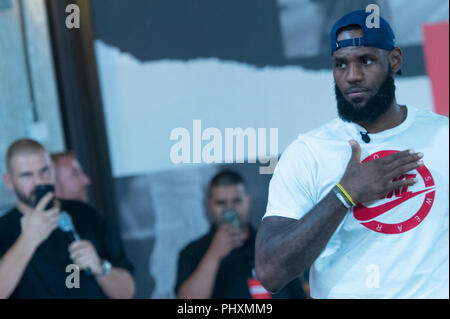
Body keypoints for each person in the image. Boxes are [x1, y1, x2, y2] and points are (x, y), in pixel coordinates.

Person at [255, 10, 449, 299]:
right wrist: (345, 194)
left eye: (365, 61)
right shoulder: (308, 153)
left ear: (394, 60)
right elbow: (270, 272)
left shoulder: (443, 137)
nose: (352, 76)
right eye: (341, 64)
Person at [0, 139, 135, 298]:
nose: (38, 182)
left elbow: (127, 292)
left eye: (44, 171)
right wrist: (28, 239)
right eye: (27, 175)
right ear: (9, 181)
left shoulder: (86, 215)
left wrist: (99, 267)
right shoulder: (4, 230)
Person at [175, 170, 306, 299]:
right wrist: (213, 255)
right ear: (208, 205)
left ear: (248, 200)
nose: (229, 209)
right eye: (221, 203)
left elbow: (297, 294)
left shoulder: (272, 245)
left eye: (236, 201)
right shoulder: (193, 252)